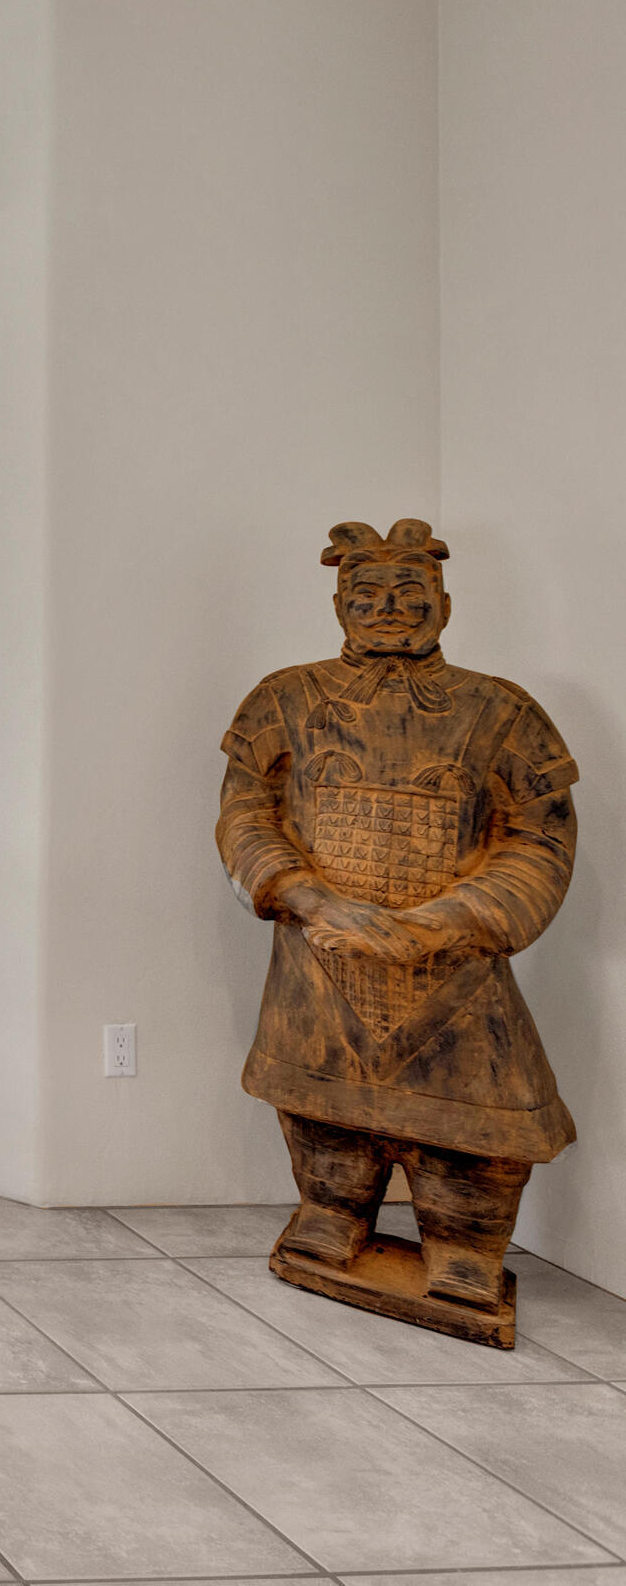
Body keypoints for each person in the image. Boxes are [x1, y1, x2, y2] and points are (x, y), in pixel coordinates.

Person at [214, 519, 578, 1315]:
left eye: (409, 594)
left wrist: (444, 921)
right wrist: (310, 898)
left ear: (445, 603)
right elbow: (246, 814)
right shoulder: (285, 698)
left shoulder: (504, 711)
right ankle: (330, 1214)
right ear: (338, 604)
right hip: (321, 957)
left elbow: (539, 838)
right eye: (365, 596)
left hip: (458, 972)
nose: (387, 610)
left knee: (469, 1127)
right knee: (323, 1110)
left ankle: (465, 1247)